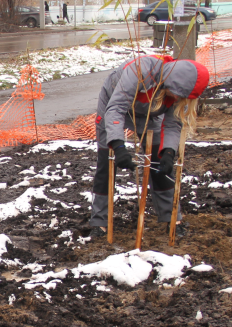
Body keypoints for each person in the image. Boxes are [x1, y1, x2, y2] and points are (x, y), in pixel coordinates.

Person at [90, 55, 210, 238]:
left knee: (158, 159)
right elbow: (116, 108)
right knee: (107, 161)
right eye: (178, 94)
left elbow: (172, 124)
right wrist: (118, 146)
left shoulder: (178, 93)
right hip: (113, 105)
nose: (178, 98)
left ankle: (172, 219)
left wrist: (169, 152)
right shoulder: (139, 71)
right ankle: (100, 223)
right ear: (173, 82)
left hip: (151, 112)